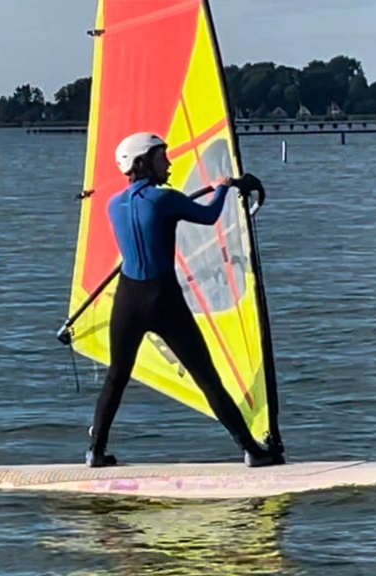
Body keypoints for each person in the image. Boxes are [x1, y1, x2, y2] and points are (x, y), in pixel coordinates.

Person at [85, 132, 285, 469]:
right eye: (163, 157)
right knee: (206, 376)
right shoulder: (165, 200)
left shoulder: (112, 204)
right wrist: (224, 186)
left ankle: (95, 451)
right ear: (143, 162)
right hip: (163, 299)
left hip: (127, 299)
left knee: (116, 377)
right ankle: (252, 450)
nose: (170, 163)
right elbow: (208, 217)